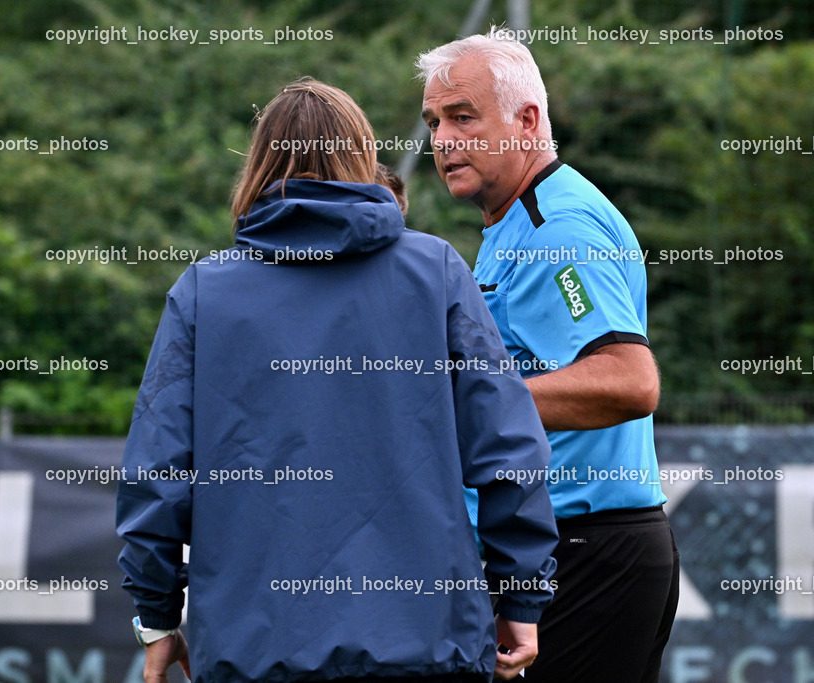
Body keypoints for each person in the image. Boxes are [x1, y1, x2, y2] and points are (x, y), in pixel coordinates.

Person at [116, 76, 558, 683]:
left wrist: (158, 617)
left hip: (255, 655)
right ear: (361, 155)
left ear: (259, 163)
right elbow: (508, 451)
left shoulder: (203, 292)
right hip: (427, 646)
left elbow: (154, 477)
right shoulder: (437, 272)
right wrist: (521, 598)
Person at [416, 32, 679, 683]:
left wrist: (465, 400)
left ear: (527, 120)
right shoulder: (517, 221)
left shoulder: (554, 229)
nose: (442, 139)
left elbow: (629, 380)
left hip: (587, 552)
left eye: (463, 117)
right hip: (566, 550)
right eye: (434, 122)